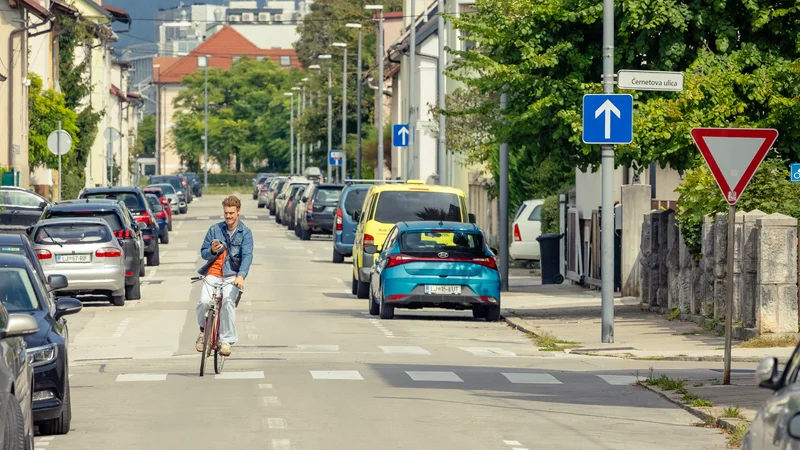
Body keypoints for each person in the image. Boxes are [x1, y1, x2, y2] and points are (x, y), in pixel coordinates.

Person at [196, 196, 253, 356]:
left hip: (232, 275)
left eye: (231, 213)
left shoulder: (245, 233)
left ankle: (226, 341)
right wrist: (212, 251)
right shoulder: (214, 229)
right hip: (213, 273)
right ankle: (203, 331)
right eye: (226, 213)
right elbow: (204, 253)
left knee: (228, 301)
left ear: (238, 212)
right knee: (204, 302)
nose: (228, 217)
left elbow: (247, 256)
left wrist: (241, 276)